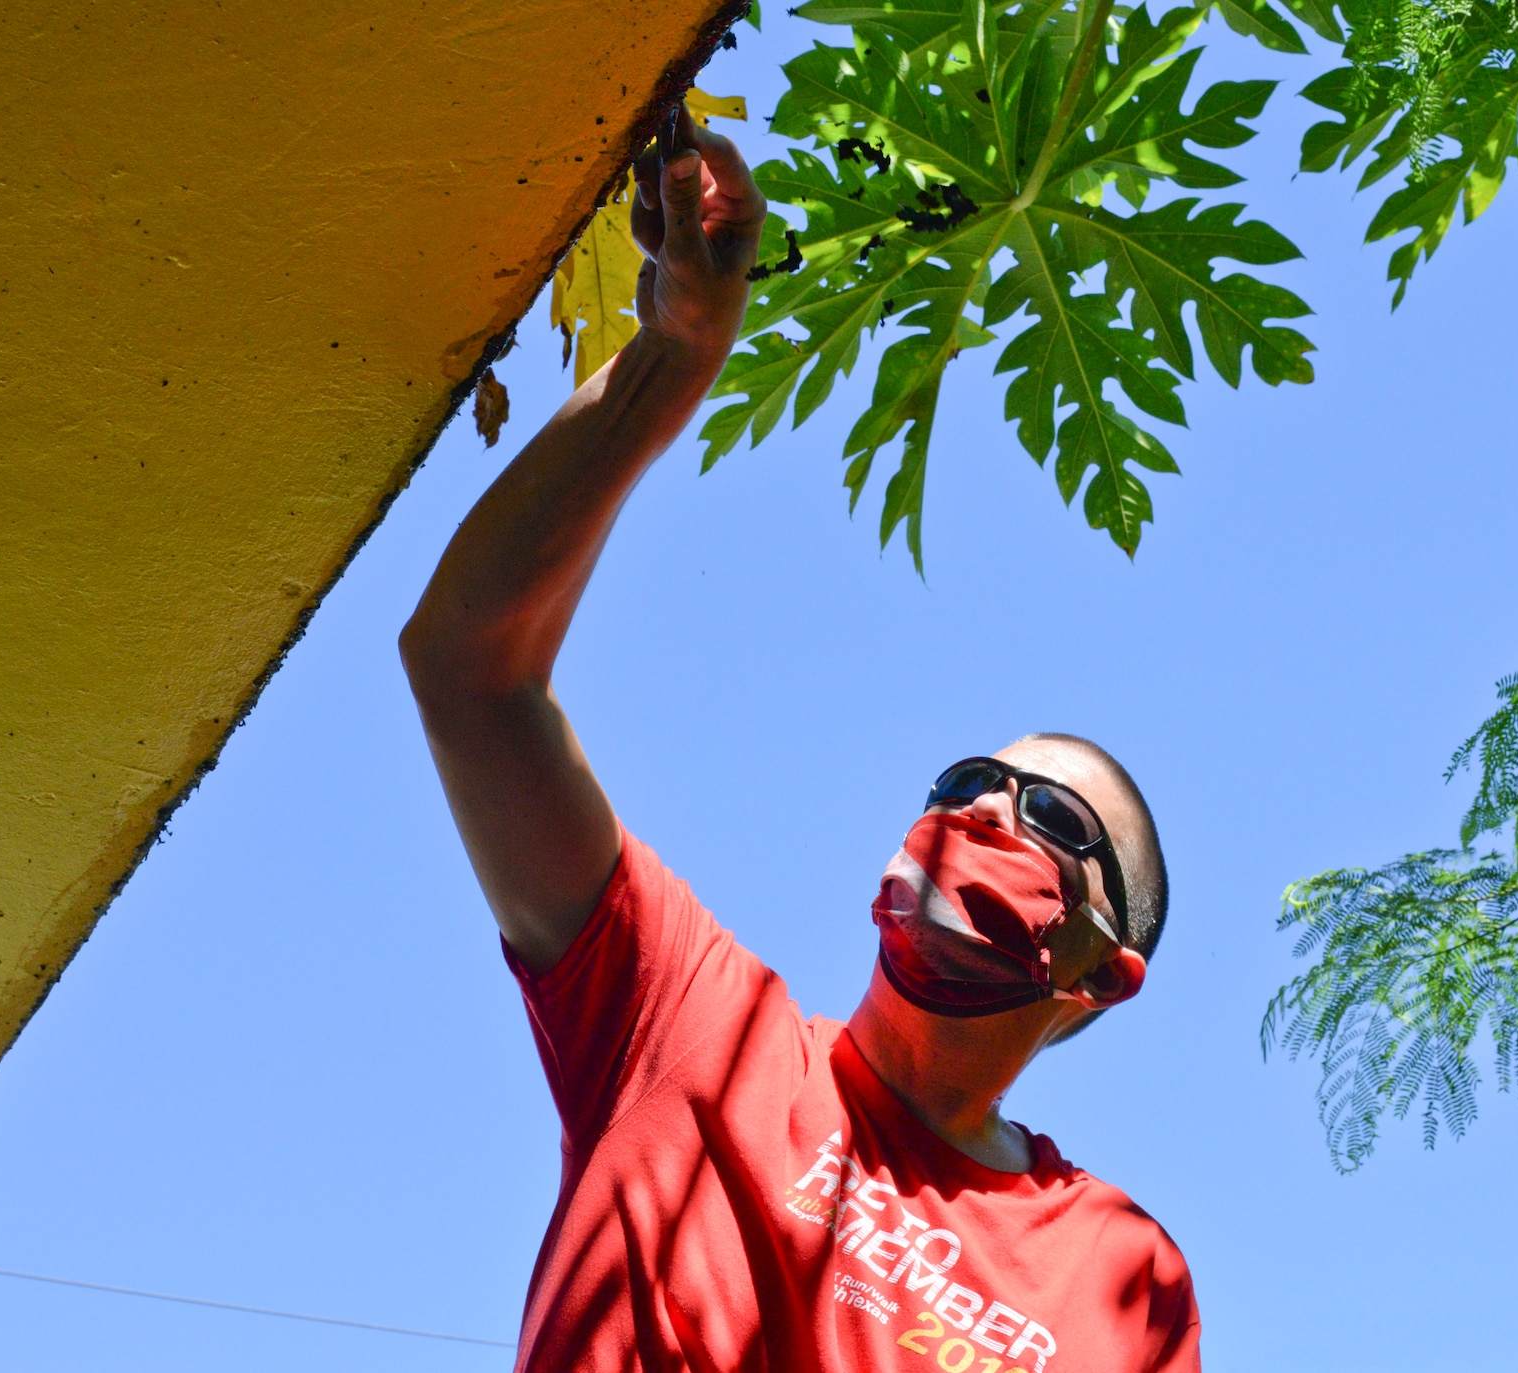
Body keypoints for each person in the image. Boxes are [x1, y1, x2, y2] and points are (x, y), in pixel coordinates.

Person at [399, 108, 1199, 1373]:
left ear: (1099, 970)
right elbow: (466, 668)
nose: (989, 811)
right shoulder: (687, 1018)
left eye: (1052, 819)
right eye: (968, 780)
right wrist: (672, 357)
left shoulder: (1116, 1273)